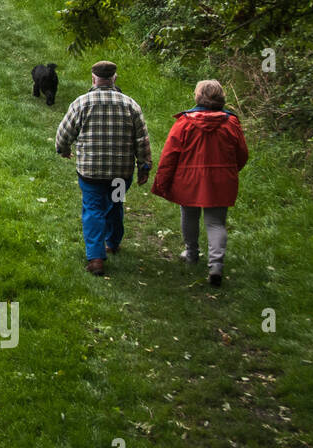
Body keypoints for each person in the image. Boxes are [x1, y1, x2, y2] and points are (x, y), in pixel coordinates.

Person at [55, 60, 152, 276]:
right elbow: (142, 140)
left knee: (93, 209)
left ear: (93, 78)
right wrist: (144, 166)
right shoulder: (130, 105)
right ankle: (113, 242)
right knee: (115, 204)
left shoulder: (81, 103)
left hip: (91, 173)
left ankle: (96, 257)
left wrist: (63, 149)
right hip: (120, 174)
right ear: (114, 78)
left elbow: (64, 134)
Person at [150, 80, 248, 287]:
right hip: (221, 179)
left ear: (198, 96)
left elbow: (169, 155)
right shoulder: (231, 123)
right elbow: (242, 154)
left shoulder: (184, 123)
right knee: (216, 223)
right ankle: (216, 266)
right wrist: (230, 171)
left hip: (189, 179)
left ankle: (192, 253)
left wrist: (163, 181)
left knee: (189, 215)